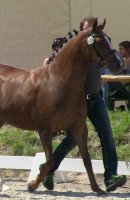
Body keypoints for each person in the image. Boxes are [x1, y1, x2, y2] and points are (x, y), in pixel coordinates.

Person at [40, 16, 127, 192]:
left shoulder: (97, 47)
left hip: (96, 99)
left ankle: (110, 176)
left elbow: (113, 59)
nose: (90, 33)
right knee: (72, 140)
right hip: (77, 103)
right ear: (81, 30)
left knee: (107, 137)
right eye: (88, 30)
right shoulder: (76, 52)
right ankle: (47, 169)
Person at [104, 41, 130, 110]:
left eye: (121, 48)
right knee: (108, 84)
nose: (119, 50)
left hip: (127, 87)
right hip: (125, 86)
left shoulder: (128, 61)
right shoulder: (125, 60)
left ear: (128, 49)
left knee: (108, 83)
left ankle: (108, 110)